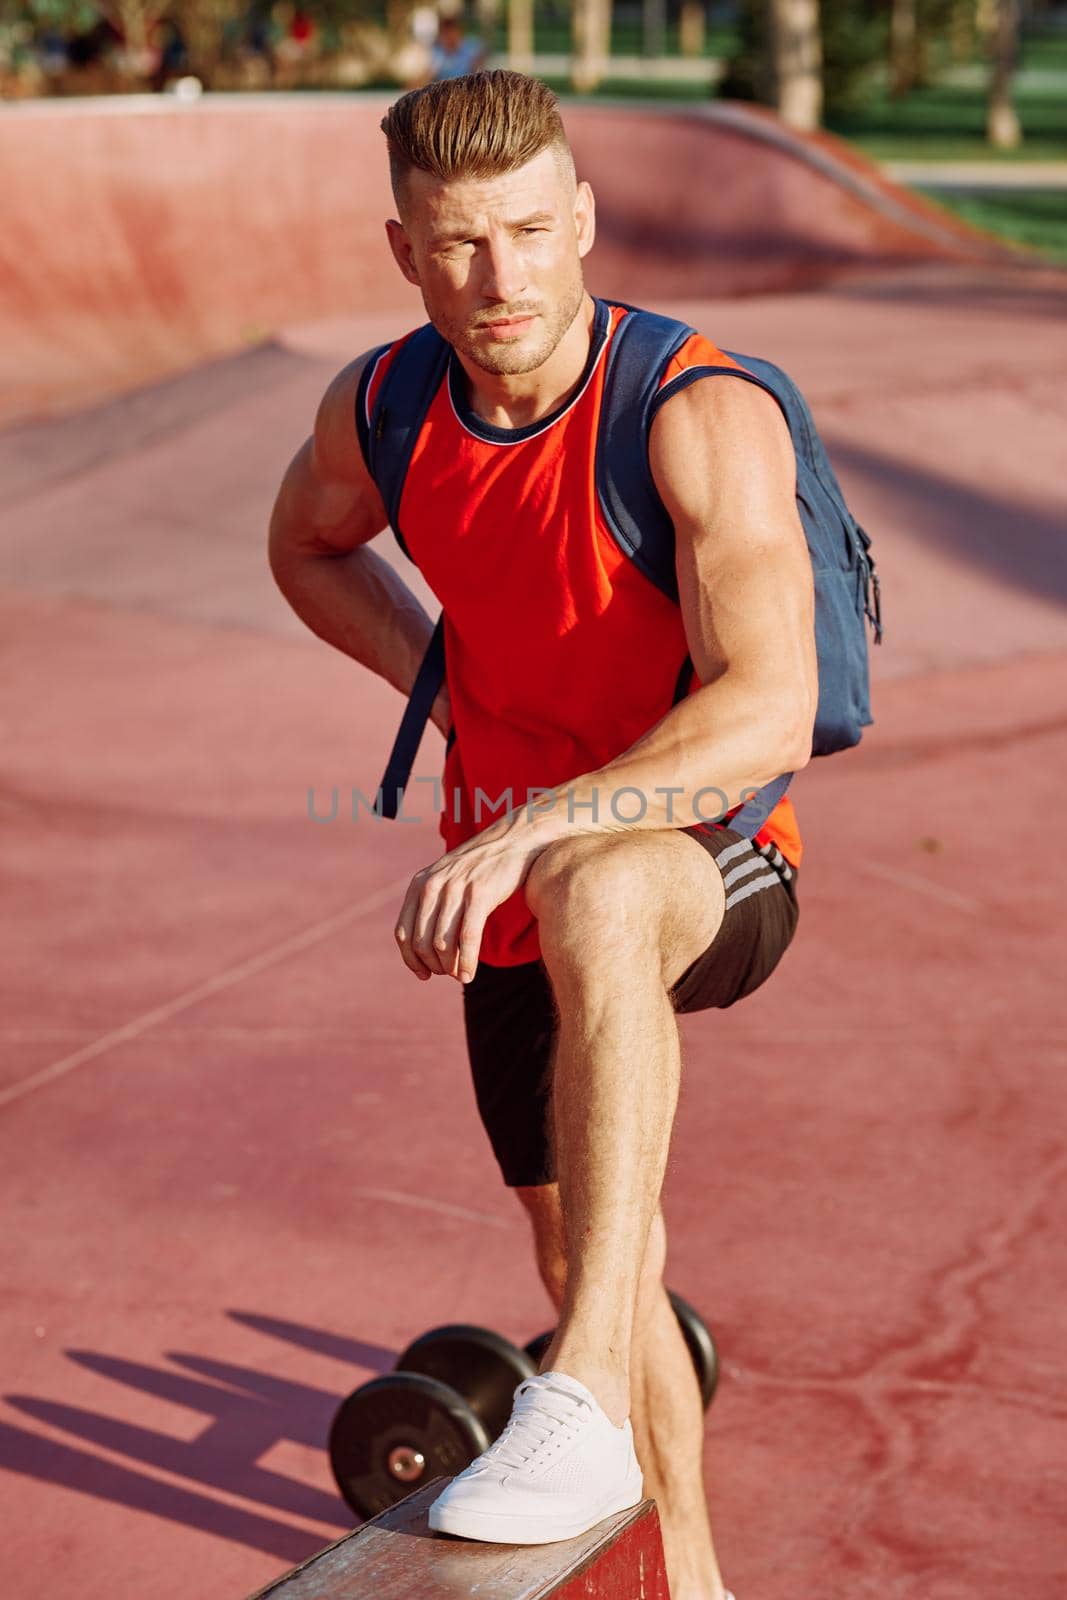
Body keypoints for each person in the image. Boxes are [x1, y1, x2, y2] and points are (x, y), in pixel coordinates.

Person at [268, 69, 816, 1600]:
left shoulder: (691, 411)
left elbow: (770, 709)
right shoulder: (383, 407)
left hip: (706, 851)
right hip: (510, 865)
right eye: (457, 244)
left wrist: (537, 827)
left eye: (527, 230)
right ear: (404, 251)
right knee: (588, 1252)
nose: (498, 277)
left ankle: (567, 1401)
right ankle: (691, 1575)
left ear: (579, 219)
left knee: (590, 886)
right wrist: (437, 687)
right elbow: (302, 544)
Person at [429, 12, 485, 80]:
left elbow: (479, 66)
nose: (449, 37)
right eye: (446, 34)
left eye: (452, 33)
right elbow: (430, 74)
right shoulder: (437, 52)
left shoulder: (471, 47)